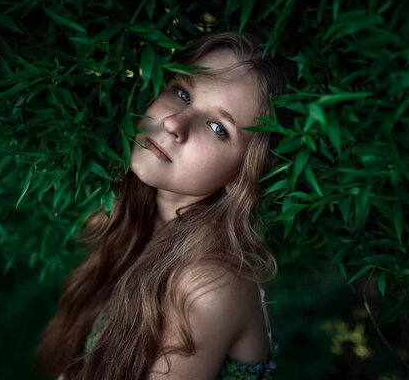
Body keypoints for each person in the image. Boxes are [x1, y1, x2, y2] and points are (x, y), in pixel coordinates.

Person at [36, 31, 297, 379]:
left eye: (219, 128)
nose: (175, 123)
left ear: (244, 174)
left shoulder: (207, 286)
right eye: (182, 92)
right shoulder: (137, 224)